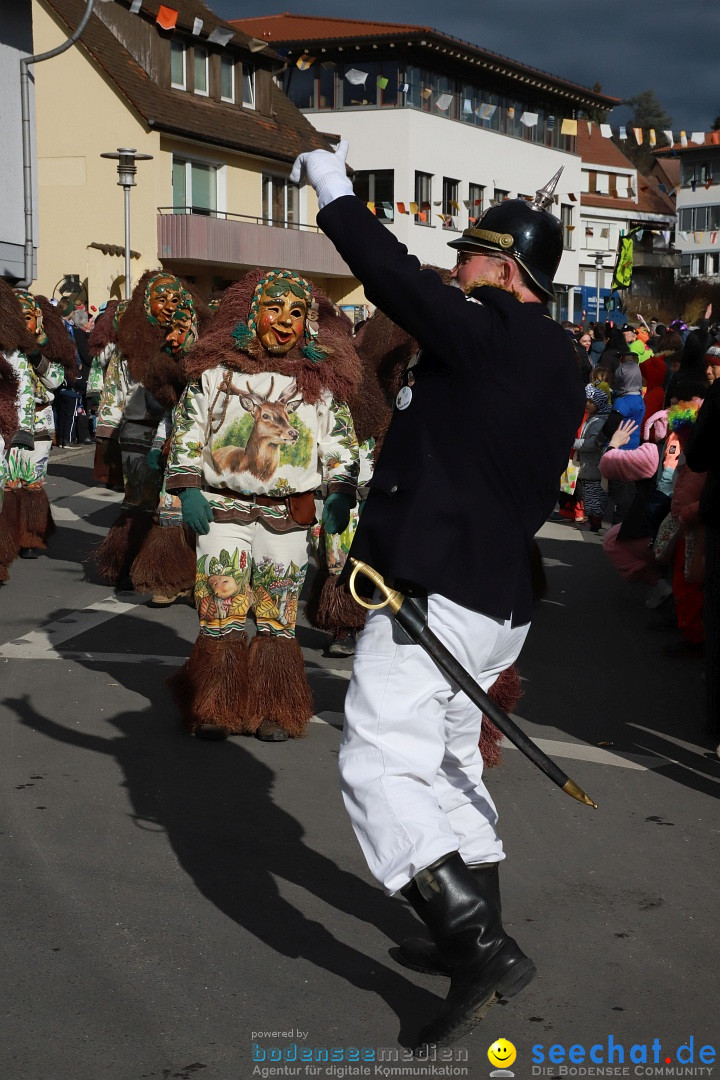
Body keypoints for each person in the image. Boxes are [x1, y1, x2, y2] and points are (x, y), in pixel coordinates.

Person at [290, 142, 585, 1050]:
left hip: (438, 591)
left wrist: (333, 192)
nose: (456, 266)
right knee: (451, 761)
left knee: (379, 762)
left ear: (507, 269)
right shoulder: (557, 354)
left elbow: (390, 275)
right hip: (497, 597)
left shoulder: (491, 330)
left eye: (470, 254)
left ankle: (479, 947)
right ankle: (464, 923)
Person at [165, 268, 360, 743]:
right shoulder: (214, 374)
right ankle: (216, 705)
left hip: (287, 515)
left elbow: (341, 444)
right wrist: (188, 489)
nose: (284, 321)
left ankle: (274, 707)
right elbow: (188, 430)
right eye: (274, 308)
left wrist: (340, 492)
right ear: (253, 314)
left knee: (278, 613)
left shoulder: (322, 384)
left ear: (308, 323)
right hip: (221, 507)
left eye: (296, 312)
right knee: (220, 606)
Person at [573, 385, 611, 531]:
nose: (587, 404)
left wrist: (575, 443)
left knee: (594, 494)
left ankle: (595, 521)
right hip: (588, 465)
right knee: (588, 494)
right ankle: (592, 520)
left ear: (599, 404)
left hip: (593, 465)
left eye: (591, 401)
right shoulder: (592, 418)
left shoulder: (598, 421)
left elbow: (594, 444)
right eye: (587, 400)